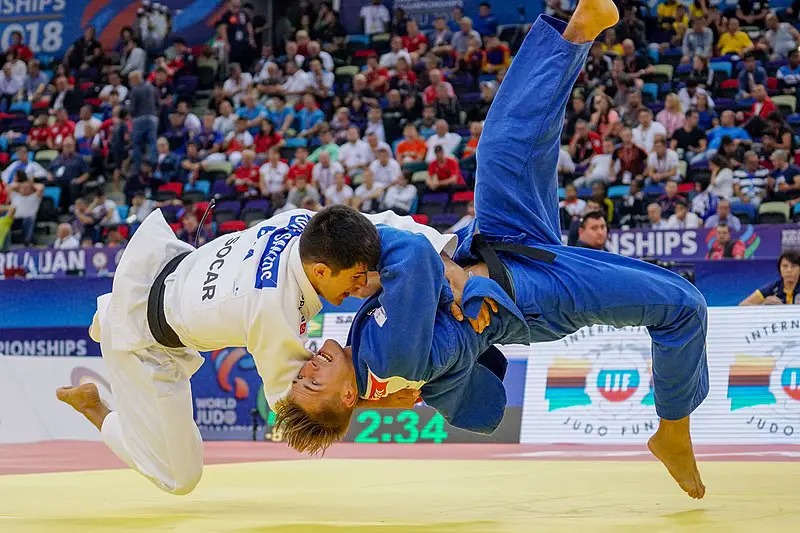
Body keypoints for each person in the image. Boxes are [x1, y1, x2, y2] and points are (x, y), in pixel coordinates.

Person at [277, 5, 708, 500]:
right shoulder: (391, 360)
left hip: (495, 243)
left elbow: (481, 404)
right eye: (313, 384)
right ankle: (673, 429)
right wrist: (384, 261)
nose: (307, 368)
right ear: (348, 396)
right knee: (681, 306)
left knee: (501, 147)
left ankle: (575, 35)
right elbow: (414, 255)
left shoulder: (377, 360)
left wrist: (424, 373)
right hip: (529, 294)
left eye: (300, 377)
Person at [56, 205, 455, 496]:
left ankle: (104, 316)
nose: (356, 288)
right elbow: (293, 406)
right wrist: (381, 400)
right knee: (180, 479)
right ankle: (96, 406)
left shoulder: (303, 224)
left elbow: (378, 226)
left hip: (174, 275)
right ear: (319, 272)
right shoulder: (273, 309)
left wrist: (448, 263)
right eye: (351, 280)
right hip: (147, 340)